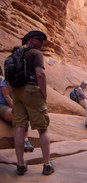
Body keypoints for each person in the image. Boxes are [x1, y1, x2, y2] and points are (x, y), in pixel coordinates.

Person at [11, 30, 54, 175]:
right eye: (38, 39)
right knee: (43, 128)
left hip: (17, 92)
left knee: (19, 127)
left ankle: (20, 164)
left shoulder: (15, 54)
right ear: (29, 40)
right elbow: (40, 74)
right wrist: (44, 93)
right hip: (31, 90)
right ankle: (47, 164)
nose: (41, 43)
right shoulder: (35, 53)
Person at [0, 65, 34, 152]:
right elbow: (7, 97)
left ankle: (25, 140)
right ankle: (21, 141)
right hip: (2, 106)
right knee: (16, 115)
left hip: (12, 105)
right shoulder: (4, 82)